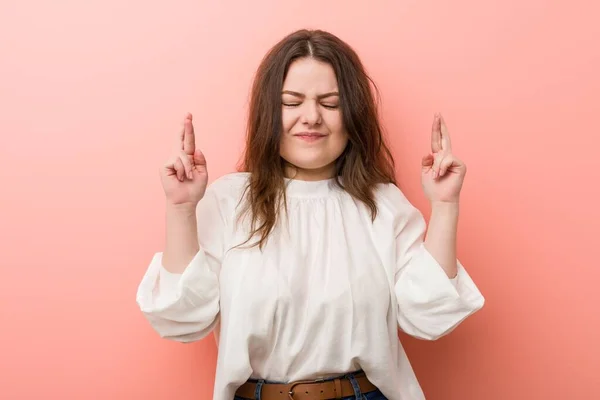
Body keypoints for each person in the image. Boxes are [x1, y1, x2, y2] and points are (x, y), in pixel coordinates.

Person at [136, 29, 485, 400]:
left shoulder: (384, 204)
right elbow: (181, 319)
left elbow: (430, 318)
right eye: (292, 101)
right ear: (269, 111)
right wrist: (180, 208)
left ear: (352, 115)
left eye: (331, 103)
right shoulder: (228, 200)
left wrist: (445, 206)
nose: (312, 117)